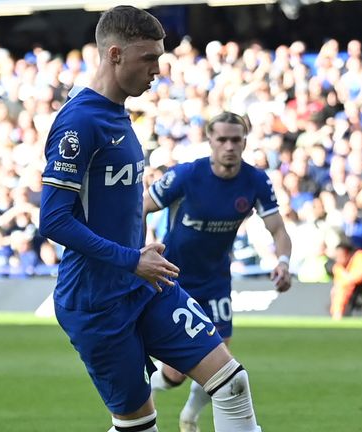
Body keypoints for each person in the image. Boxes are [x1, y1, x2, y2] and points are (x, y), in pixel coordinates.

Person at [38, 7, 262, 432]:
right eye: (149, 58)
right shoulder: (80, 122)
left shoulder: (119, 110)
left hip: (143, 284)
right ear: (116, 55)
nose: (158, 69)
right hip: (96, 301)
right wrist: (129, 258)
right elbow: (53, 221)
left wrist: (138, 252)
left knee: (232, 384)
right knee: (139, 427)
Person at [144, 111, 291, 432]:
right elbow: (141, 206)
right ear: (209, 140)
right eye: (222, 139)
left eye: (236, 140)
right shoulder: (186, 175)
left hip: (215, 281)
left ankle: (190, 417)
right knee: (174, 374)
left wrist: (283, 263)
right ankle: (140, 392)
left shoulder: (255, 181)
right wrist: (140, 253)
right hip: (174, 280)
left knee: (220, 360)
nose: (229, 146)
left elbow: (278, 230)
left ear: (245, 142)